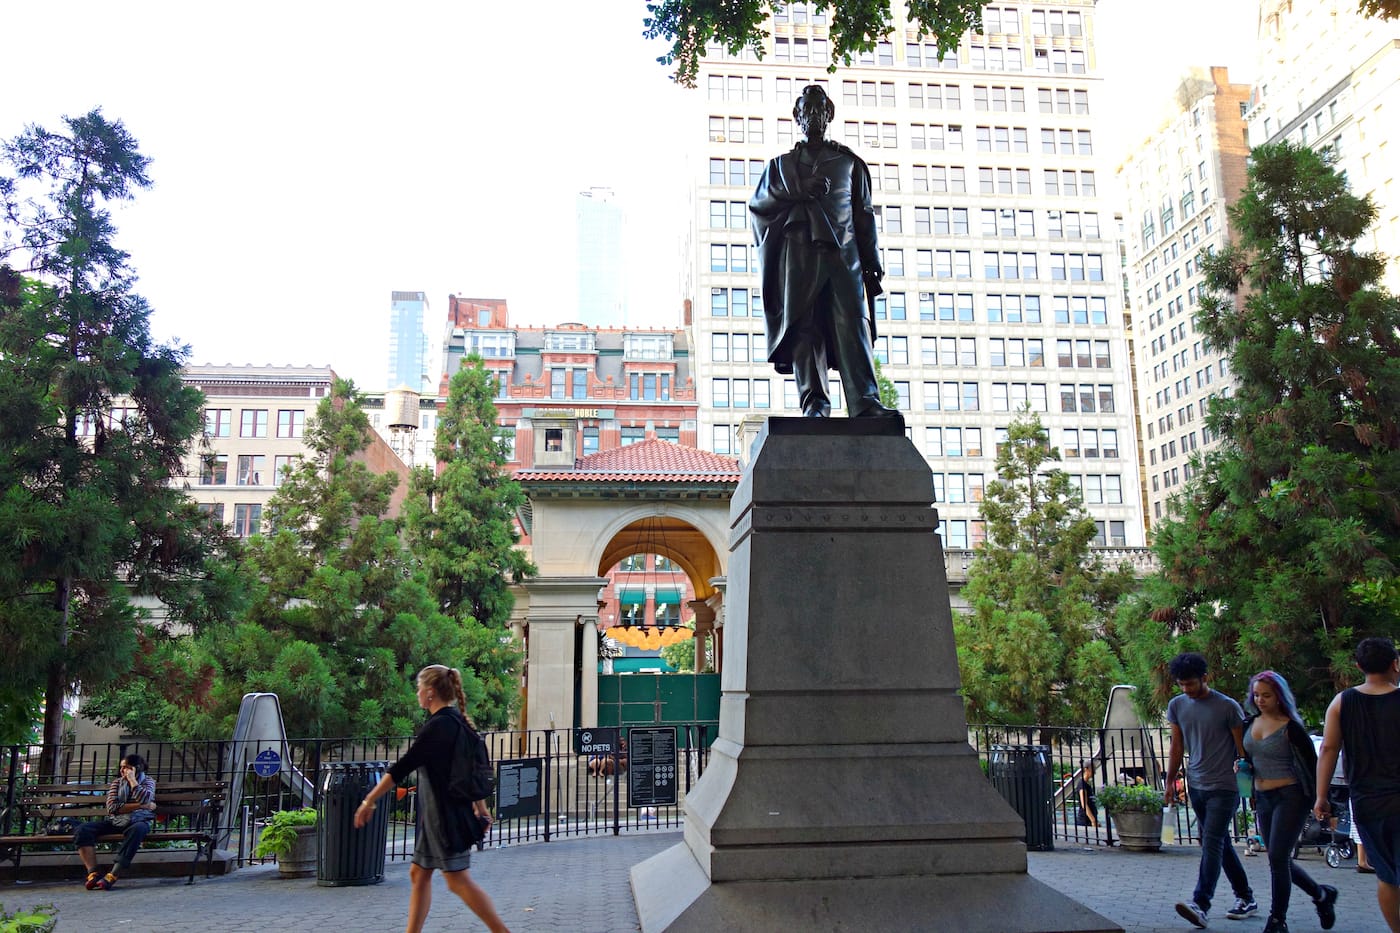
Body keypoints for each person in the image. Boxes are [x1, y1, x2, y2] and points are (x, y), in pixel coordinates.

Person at [749, 84, 900, 421]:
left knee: (853, 327)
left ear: (829, 115)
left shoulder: (849, 164)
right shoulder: (781, 167)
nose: (813, 116)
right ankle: (814, 403)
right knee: (805, 329)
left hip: (846, 260)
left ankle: (865, 401)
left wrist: (872, 261)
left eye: (819, 110)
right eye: (807, 110)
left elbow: (864, 214)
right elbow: (759, 204)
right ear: (797, 117)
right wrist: (799, 193)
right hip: (799, 257)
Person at [355, 665, 509, 933]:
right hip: (440, 815)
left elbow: (401, 768)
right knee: (419, 874)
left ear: (429, 693)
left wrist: (369, 801)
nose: (416, 693)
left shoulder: (438, 727)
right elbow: (473, 768)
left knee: (457, 880)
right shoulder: (457, 721)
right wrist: (481, 808)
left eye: (418, 688)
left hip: (443, 817)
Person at [1164, 652, 1257, 928]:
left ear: (1205, 678)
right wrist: (1170, 782)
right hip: (1197, 784)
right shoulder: (1177, 706)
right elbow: (1177, 746)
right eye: (1181, 684)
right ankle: (1246, 897)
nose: (1186, 689)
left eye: (1190, 683)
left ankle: (1200, 903)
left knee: (1212, 842)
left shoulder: (1227, 707)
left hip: (1225, 787)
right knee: (1218, 843)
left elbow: (1242, 752)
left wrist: (1247, 791)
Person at [1241, 671, 1338, 932]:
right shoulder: (1249, 723)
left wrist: (1321, 798)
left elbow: (1312, 764)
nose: (1260, 700)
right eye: (1257, 694)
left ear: (1279, 696)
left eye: (1267, 695)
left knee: (1278, 857)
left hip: (1291, 796)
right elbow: (1249, 758)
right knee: (1278, 858)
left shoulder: (1290, 727)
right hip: (1263, 797)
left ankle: (1277, 919)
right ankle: (1321, 895)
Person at [1316, 637, 1400, 933]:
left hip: (1367, 800)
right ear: (1395, 664)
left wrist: (1321, 796)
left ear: (1358, 666)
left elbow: (1328, 749)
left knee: (1388, 877)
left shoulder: (1342, 702)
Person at [75, 753, 156, 890]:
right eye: (121, 767)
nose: (122, 770)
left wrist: (132, 781)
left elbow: (145, 798)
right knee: (83, 829)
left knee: (138, 830)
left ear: (137, 768)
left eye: (126, 767)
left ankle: (112, 875)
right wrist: (140, 806)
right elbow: (112, 808)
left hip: (139, 820)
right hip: (116, 821)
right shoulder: (117, 783)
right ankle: (93, 873)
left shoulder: (148, 782)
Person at [1074, 761, 1099, 829]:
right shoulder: (1082, 784)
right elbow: (1084, 804)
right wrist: (1093, 820)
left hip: (1088, 819)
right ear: (1086, 769)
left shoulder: (1086, 784)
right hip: (1085, 820)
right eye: (1092, 769)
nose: (1094, 772)